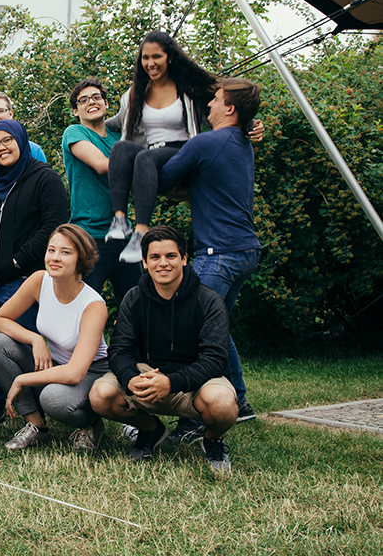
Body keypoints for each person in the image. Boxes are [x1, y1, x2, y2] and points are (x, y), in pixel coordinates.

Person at [157, 77, 263, 429]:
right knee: (218, 328)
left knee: (192, 328)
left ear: (230, 109)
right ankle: (240, 400)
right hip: (245, 251)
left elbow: (164, 179)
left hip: (218, 255)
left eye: (216, 100)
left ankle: (194, 421)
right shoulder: (242, 143)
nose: (210, 105)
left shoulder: (205, 143)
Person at [105, 31, 263, 263]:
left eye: (156, 57)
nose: (150, 63)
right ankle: (120, 220)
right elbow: (120, 121)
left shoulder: (187, 90)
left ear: (169, 58)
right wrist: (91, 123)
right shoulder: (136, 93)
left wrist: (250, 124)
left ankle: (141, 232)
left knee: (145, 159)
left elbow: (224, 110)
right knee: (120, 149)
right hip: (151, 152)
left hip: (180, 151)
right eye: (145, 58)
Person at [89, 226, 238, 472]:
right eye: (155, 257)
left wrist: (170, 382)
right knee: (100, 395)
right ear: (145, 262)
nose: (163, 263)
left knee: (222, 404)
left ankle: (213, 440)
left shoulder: (209, 301)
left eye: (171, 256)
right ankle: (150, 429)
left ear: (184, 259)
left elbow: (214, 359)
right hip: (145, 376)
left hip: (195, 383)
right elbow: (119, 349)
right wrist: (130, 379)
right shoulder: (133, 298)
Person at [0, 119, 68, 428]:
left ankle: (35, 411)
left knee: (14, 348)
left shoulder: (44, 179)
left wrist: (17, 263)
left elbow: (53, 228)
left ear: (22, 142)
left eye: (8, 140)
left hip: (22, 282)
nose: (2, 147)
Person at [0, 224, 111, 452]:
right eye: (51, 250)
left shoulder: (93, 305)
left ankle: (91, 424)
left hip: (91, 372)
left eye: (65, 252)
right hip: (55, 364)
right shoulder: (40, 280)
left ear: (80, 259)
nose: (55, 258)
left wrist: (21, 379)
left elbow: (75, 372)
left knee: (54, 399)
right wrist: (35, 339)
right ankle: (36, 427)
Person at [62, 78, 141, 304]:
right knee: (83, 307)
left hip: (124, 236)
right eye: (83, 100)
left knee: (136, 305)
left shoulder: (120, 137)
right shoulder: (75, 132)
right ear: (76, 111)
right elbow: (103, 165)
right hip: (89, 236)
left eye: (97, 97)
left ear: (107, 104)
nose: (91, 102)